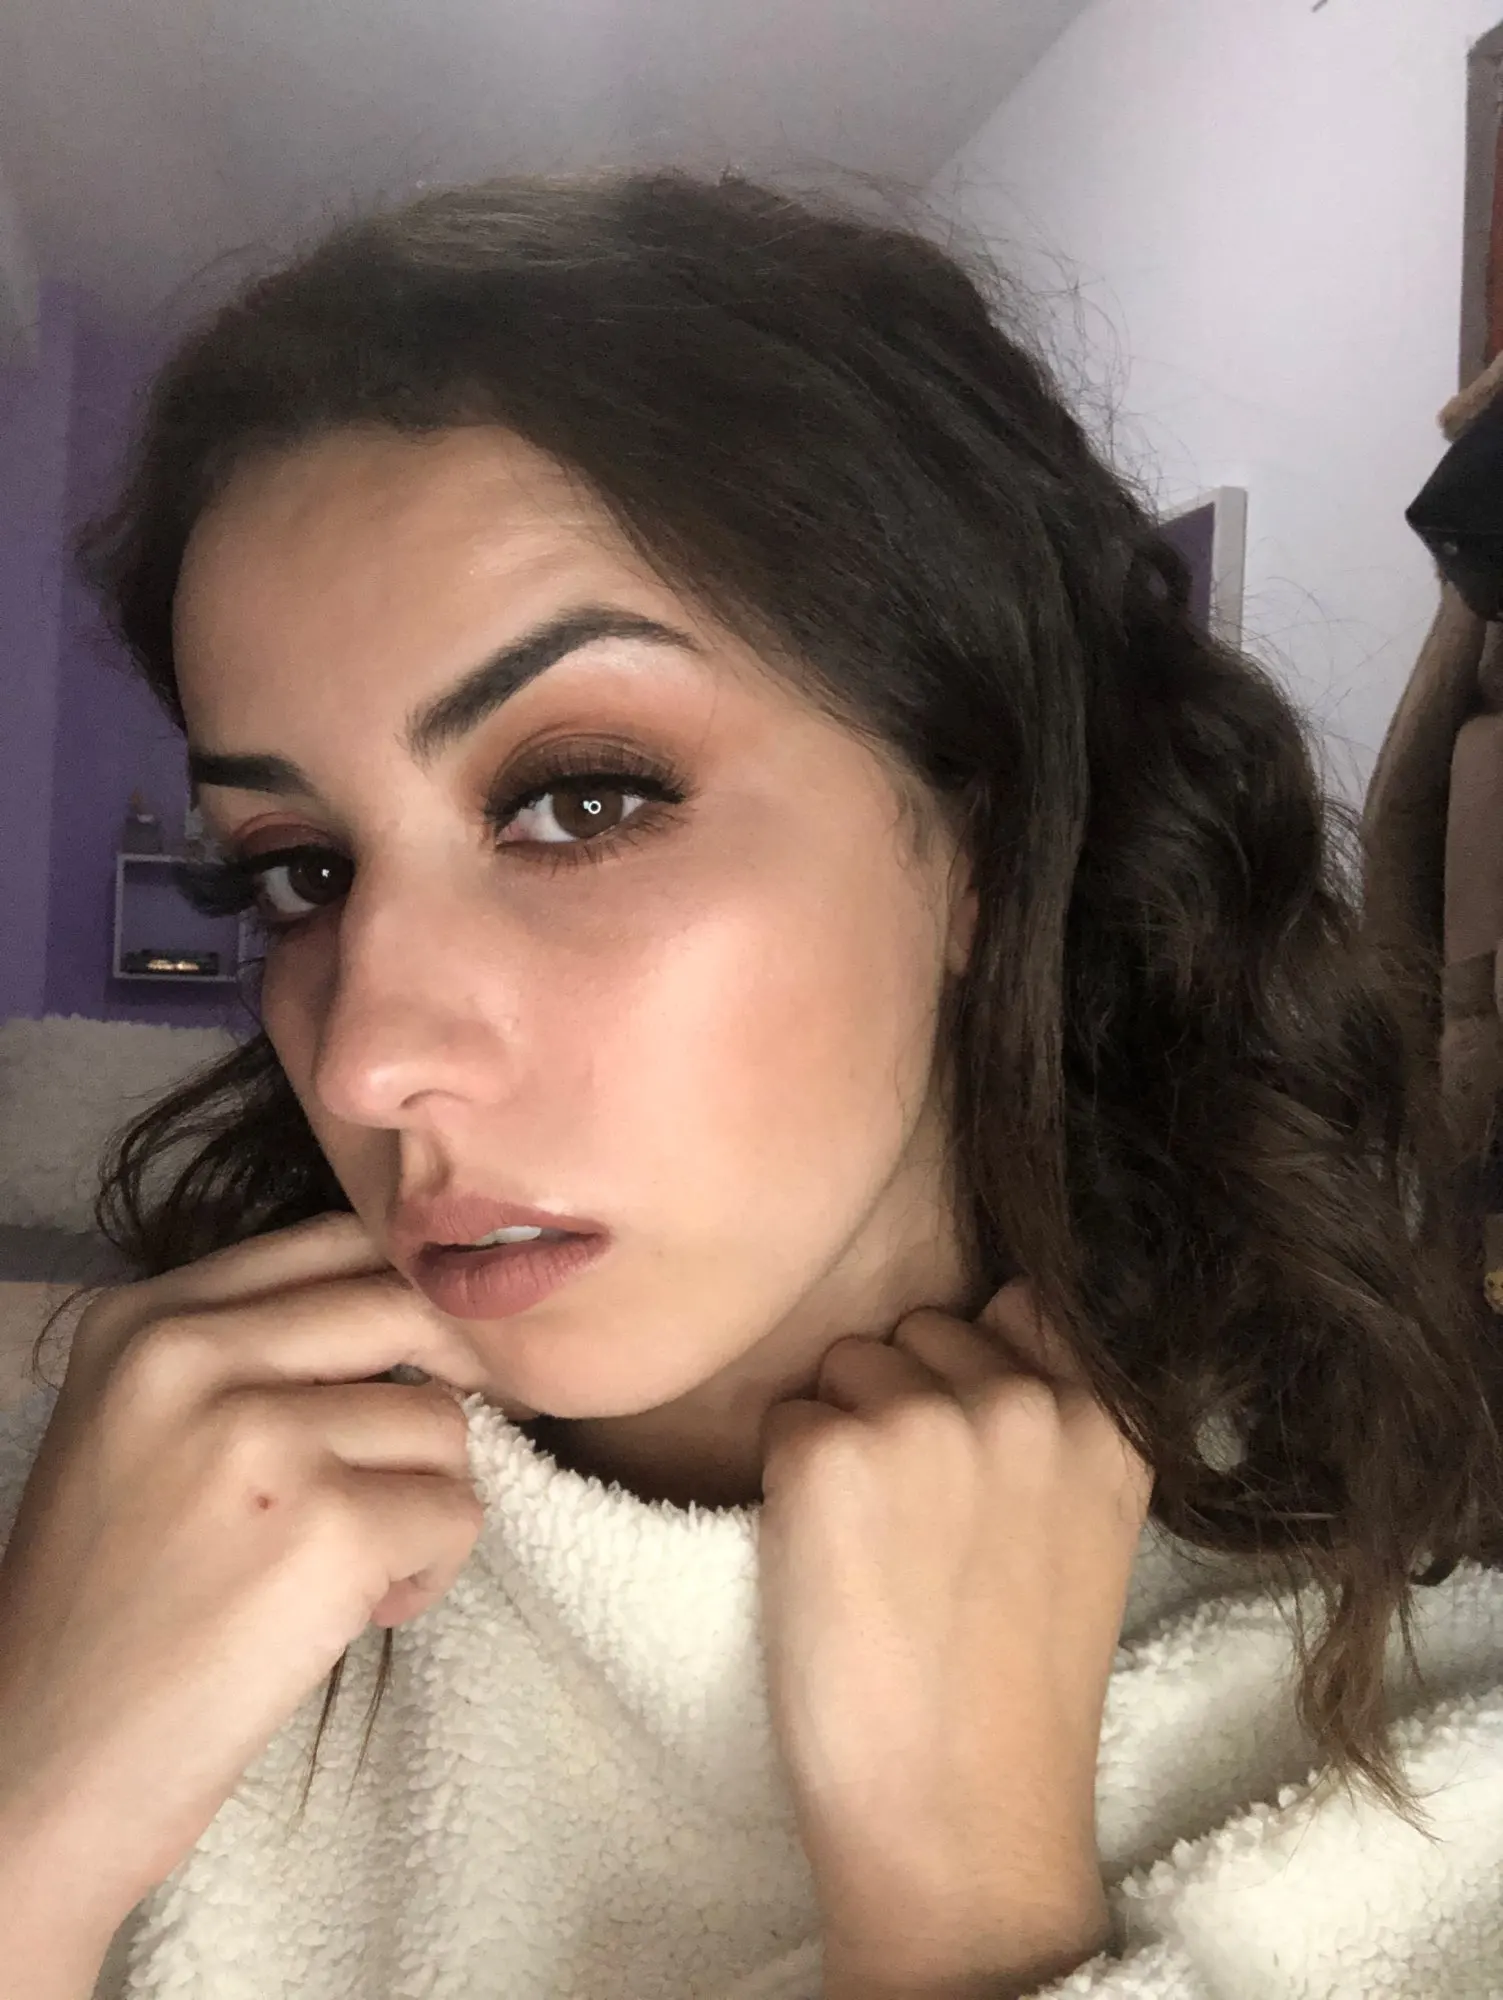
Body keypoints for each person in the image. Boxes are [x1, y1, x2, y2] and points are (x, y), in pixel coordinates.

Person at [1, 171, 1501, 2000]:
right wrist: (31, 1833)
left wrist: (964, 1913)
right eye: (301, 870)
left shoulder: (1426, 1739)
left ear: (988, 835)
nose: (370, 1054)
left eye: (581, 801)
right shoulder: (93, 1538)